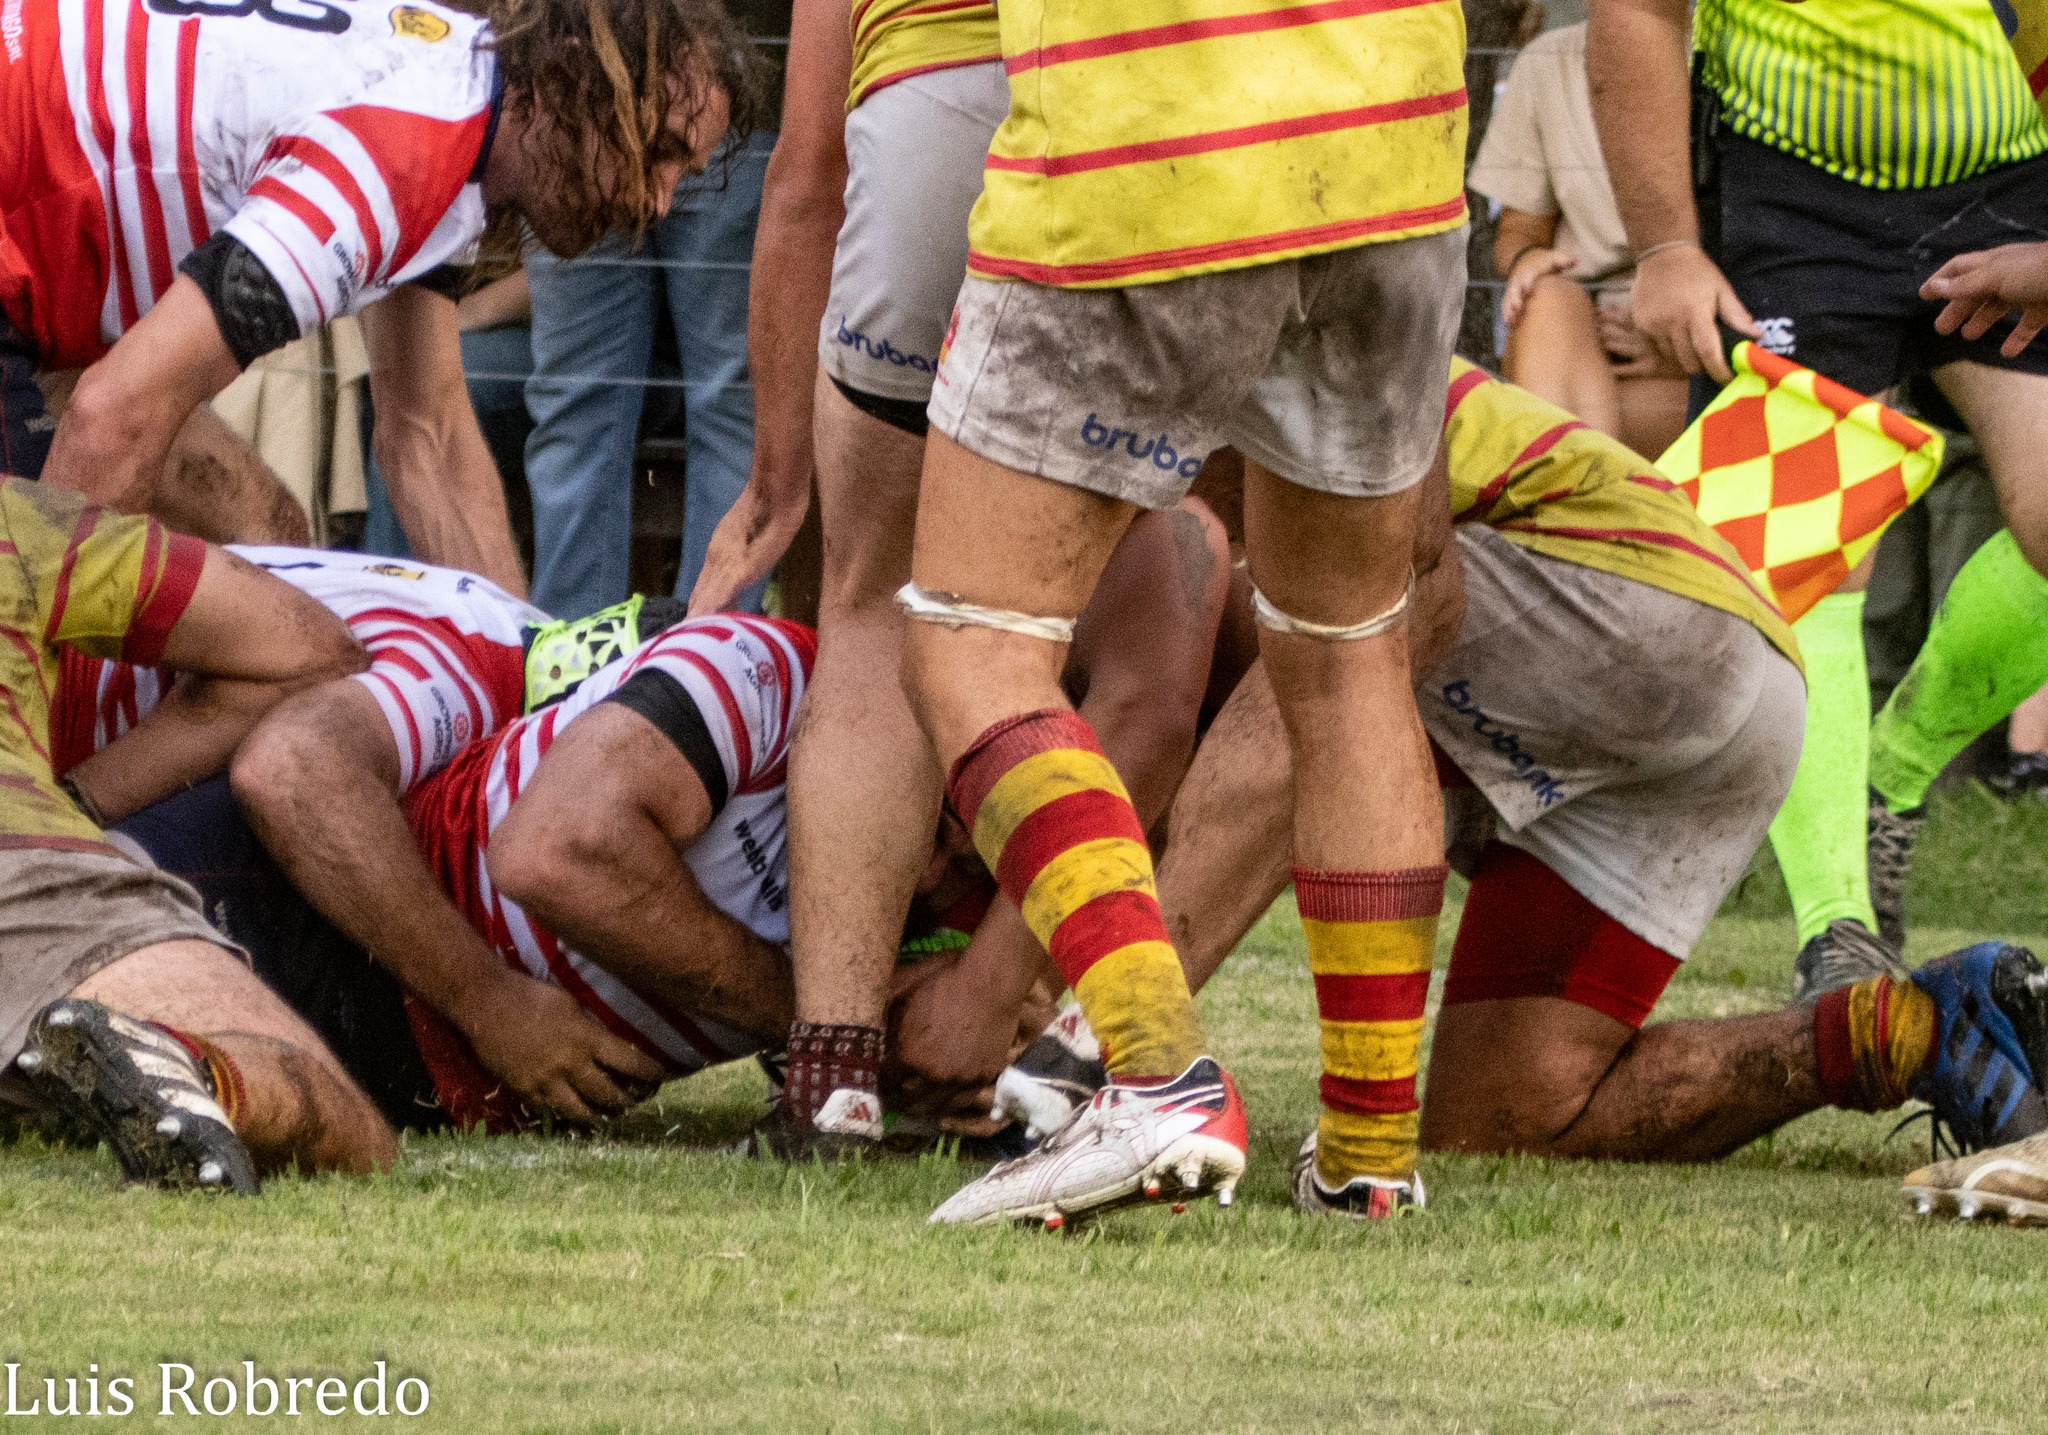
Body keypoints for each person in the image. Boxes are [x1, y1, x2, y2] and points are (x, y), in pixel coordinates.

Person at [992, 370, 2048, 1181]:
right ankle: (1920, 1024)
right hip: (1735, 683)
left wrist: (1011, 995)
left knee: (1324, 634)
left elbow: (1189, 691)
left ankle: (1104, 1061)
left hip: (1630, 610)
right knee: (1501, 1118)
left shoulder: (1239, 356)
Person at [1587, 0, 2048, 989]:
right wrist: (1664, 246)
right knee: (1808, 554)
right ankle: (1836, 934)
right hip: (1787, 198)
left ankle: (1892, 773)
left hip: (2012, 185)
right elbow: (1634, 8)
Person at [1, 0, 758, 595]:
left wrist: (525, 673)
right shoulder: (395, 161)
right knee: (240, 635)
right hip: (20, 220)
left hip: (37, 209)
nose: (658, 203)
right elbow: (107, 420)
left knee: (270, 537)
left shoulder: (460, 93)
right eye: (657, 152)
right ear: (578, 81)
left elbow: (428, 435)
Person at [0, 476, 395, 1192]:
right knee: (346, 1126)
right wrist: (83, 800)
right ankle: (177, 1065)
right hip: (25, 868)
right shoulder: (16, 523)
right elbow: (304, 647)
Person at [521, 0, 787, 620]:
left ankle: (700, 662)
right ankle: (568, 660)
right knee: (575, 400)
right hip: (583, 94)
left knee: (730, 401)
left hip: (722, 105)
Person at [51, 545, 545, 828]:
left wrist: (70, 809)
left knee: (287, 773)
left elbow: (313, 662)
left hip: (438, 648)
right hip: (449, 635)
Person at [1468, 20, 1688, 457]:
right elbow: (1520, 232)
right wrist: (1528, 261)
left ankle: (1573, 501)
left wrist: (1682, 342)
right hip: (1579, 344)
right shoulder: (1548, 61)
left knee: (1548, 427)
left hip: (1690, 359)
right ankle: (1590, 498)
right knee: (1547, 296)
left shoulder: (1729, 56)